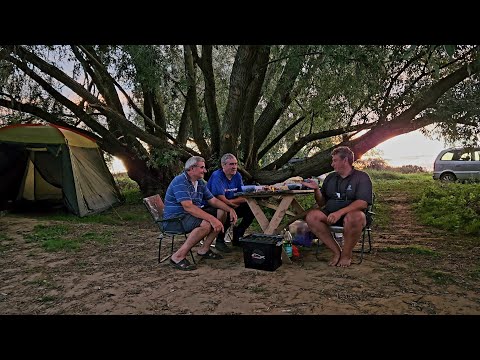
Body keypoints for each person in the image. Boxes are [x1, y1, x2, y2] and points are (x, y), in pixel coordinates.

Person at [301, 146, 372, 267]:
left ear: (345, 161)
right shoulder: (330, 178)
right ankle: (337, 252)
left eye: (335, 160)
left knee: (356, 217)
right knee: (312, 216)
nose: (332, 164)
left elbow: (362, 203)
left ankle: (346, 254)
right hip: (330, 215)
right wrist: (316, 190)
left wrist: (339, 212)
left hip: (353, 218)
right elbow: (322, 203)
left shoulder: (362, 177)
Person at [163, 156, 238, 271]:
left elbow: (213, 200)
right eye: (202, 167)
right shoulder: (180, 181)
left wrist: (230, 209)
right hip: (175, 219)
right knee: (207, 224)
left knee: (221, 212)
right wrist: (212, 219)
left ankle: (204, 249)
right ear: (192, 168)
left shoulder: (200, 182)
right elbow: (188, 207)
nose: (205, 170)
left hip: (188, 216)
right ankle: (178, 256)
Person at [206, 153, 255, 252]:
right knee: (224, 211)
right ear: (223, 165)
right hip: (213, 206)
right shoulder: (217, 176)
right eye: (231, 164)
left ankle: (238, 234)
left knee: (252, 209)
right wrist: (231, 204)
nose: (234, 167)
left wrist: (231, 202)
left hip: (231, 204)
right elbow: (219, 198)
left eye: (236, 164)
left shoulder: (237, 175)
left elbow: (243, 196)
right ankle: (220, 240)